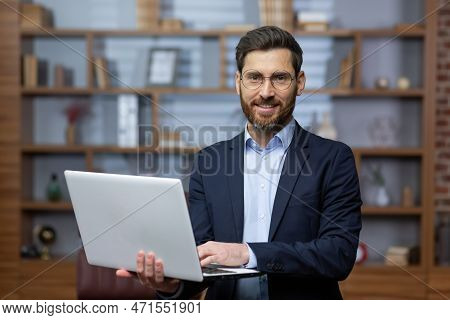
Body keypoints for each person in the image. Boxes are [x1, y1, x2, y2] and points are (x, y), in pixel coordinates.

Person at [117, 26, 362, 299]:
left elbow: (338, 255)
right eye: (254, 78)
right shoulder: (210, 161)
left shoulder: (334, 159)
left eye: (280, 78)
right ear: (238, 82)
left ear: (300, 82)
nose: (266, 92)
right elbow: (200, 260)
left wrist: (247, 253)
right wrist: (171, 285)